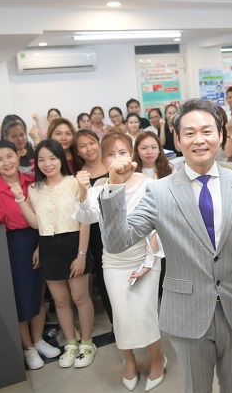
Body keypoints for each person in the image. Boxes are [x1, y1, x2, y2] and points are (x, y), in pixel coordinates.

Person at [98, 98, 232, 393]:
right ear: (177, 139)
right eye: (190, 133)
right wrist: (115, 186)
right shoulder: (159, 192)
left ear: (220, 134)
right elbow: (118, 242)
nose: (199, 140)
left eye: (207, 131)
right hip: (187, 311)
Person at [75, 133, 166, 391]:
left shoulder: (147, 184)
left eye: (123, 152)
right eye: (111, 154)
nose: (118, 159)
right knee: (122, 315)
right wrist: (83, 191)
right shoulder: (100, 187)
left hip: (145, 259)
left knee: (145, 313)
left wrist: (149, 261)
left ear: (132, 156)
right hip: (114, 263)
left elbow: (157, 226)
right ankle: (129, 361)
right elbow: (86, 216)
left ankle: (157, 359)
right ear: (103, 160)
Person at [0, 140, 61, 370]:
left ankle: (38, 339)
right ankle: (28, 348)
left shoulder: (32, 180)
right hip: (14, 244)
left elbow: (46, 213)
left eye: (9, 156)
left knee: (39, 293)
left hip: (40, 238)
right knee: (21, 297)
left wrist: (40, 245)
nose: (6, 162)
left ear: (18, 156)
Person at [16, 139, 96, 368]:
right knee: (60, 301)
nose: (47, 163)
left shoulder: (75, 182)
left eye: (52, 158)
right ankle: (70, 343)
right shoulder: (34, 189)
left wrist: (82, 254)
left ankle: (87, 343)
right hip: (48, 247)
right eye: (41, 159)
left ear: (61, 158)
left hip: (73, 243)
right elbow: (36, 224)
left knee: (80, 297)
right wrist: (20, 201)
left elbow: (85, 220)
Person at [72, 129, 113, 323]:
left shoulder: (112, 164)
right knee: (106, 281)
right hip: (98, 235)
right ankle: (115, 325)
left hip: (121, 227)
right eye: (82, 146)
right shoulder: (81, 177)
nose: (89, 148)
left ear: (99, 143)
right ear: (77, 151)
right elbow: (83, 214)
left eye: (91, 143)